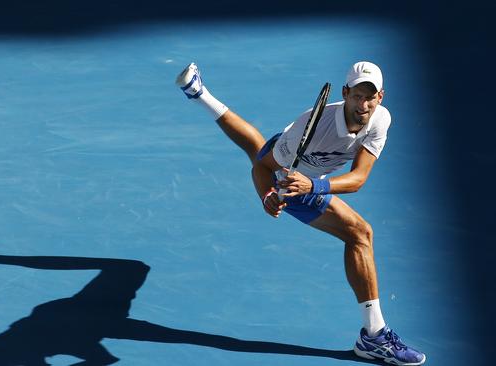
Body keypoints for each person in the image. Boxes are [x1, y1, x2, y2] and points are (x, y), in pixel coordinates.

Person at [175, 61, 426, 365]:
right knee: (360, 233)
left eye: (370, 97)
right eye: (357, 96)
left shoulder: (380, 120)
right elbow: (264, 168)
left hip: (307, 179)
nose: (364, 104)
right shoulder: (313, 125)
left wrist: (314, 184)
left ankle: (199, 92)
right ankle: (374, 336)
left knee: (255, 144)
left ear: (381, 97)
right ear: (345, 93)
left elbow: (358, 179)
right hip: (289, 175)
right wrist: (267, 194)